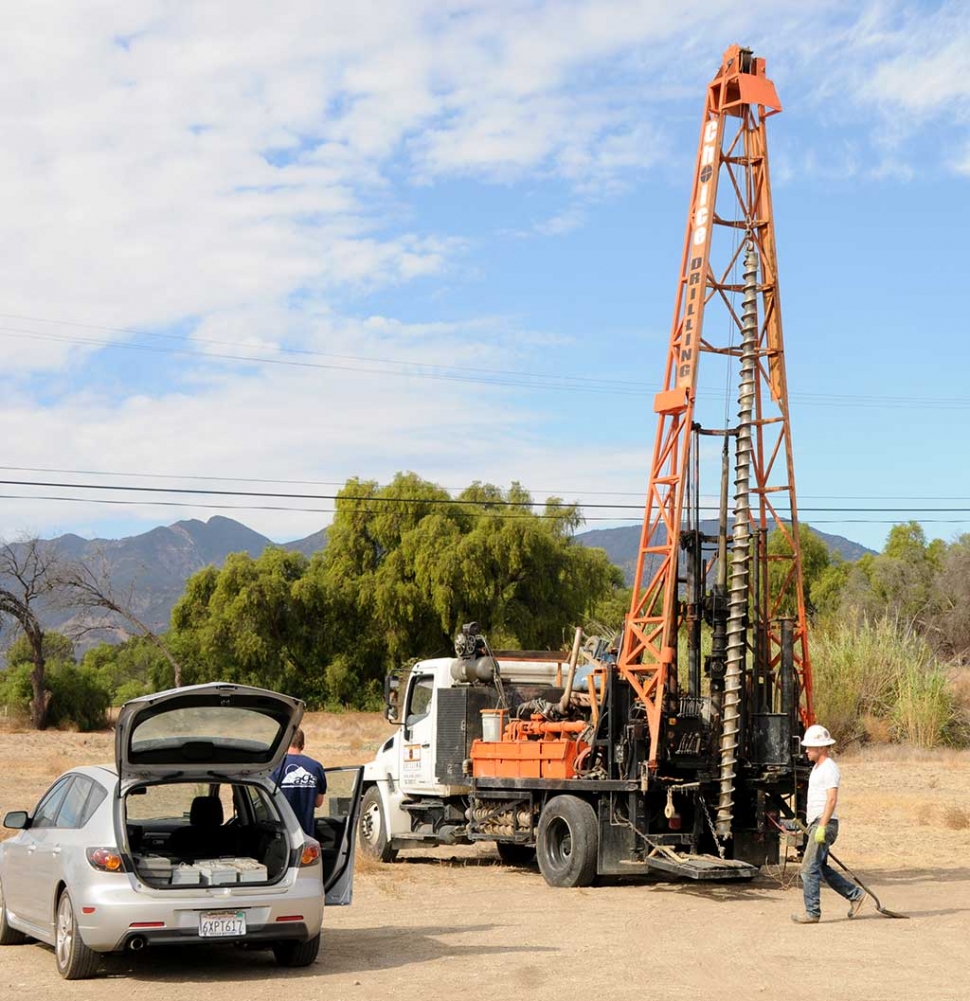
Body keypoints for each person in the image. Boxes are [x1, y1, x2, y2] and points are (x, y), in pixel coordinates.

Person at [791, 723, 868, 924]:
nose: (806, 751)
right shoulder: (817, 768)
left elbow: (831, 799)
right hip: (817, 823)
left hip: (824, 824)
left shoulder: (829, 768)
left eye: (809, 747)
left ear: (821, 748)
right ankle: (856, 896)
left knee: (807, 868)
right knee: (820, 868)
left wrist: (822, 826)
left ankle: (812, 912)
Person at [271, 728, 327, 837]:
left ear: (285, 743)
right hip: (306, 833)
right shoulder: (316, 767)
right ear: (303, 745)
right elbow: (318, 802)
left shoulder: (275, 766)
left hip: (282, 834)